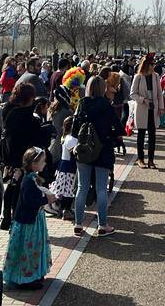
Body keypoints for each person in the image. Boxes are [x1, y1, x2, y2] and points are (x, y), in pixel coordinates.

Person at [71, 75, 122, 237]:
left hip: (84, 149)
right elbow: (119, 129)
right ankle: (102, 225)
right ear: (103, 88)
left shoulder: (82, 104)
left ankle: (78, 224)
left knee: (82, 188)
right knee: (101, 189)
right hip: (103, 149)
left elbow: (73, 130)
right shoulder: (107, 106)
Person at [3, 146, 55, 290]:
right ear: (34, 164)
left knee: (34, 248)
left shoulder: (31, 178)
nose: (45, 164)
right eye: (42, 161)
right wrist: (47, 200)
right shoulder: (28, 181)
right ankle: (25, 278)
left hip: (32, 220)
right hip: (28, 223)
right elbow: (30, 201)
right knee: (28, 250)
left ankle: (34, 273)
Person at [131, 55, 165, 169]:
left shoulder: (156, 76)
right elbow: (132, 94)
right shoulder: (138, 77)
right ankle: (140, 159)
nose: (153, 66)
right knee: (141, 135)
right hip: (142, 109)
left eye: (153, 64)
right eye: (151, 64)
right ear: (146, 65)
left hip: (153, 109)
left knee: (152, 136)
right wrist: (143, 99)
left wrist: (161, 107)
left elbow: (160, 94)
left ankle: (151, 160)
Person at [49, 118, 77, 221]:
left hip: (63, 165)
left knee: (65, 190)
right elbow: (75, 154)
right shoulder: (71, 139)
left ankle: (63, 209)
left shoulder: (65, 137)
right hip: (69, 166)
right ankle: (66, 210)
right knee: (69, 190)